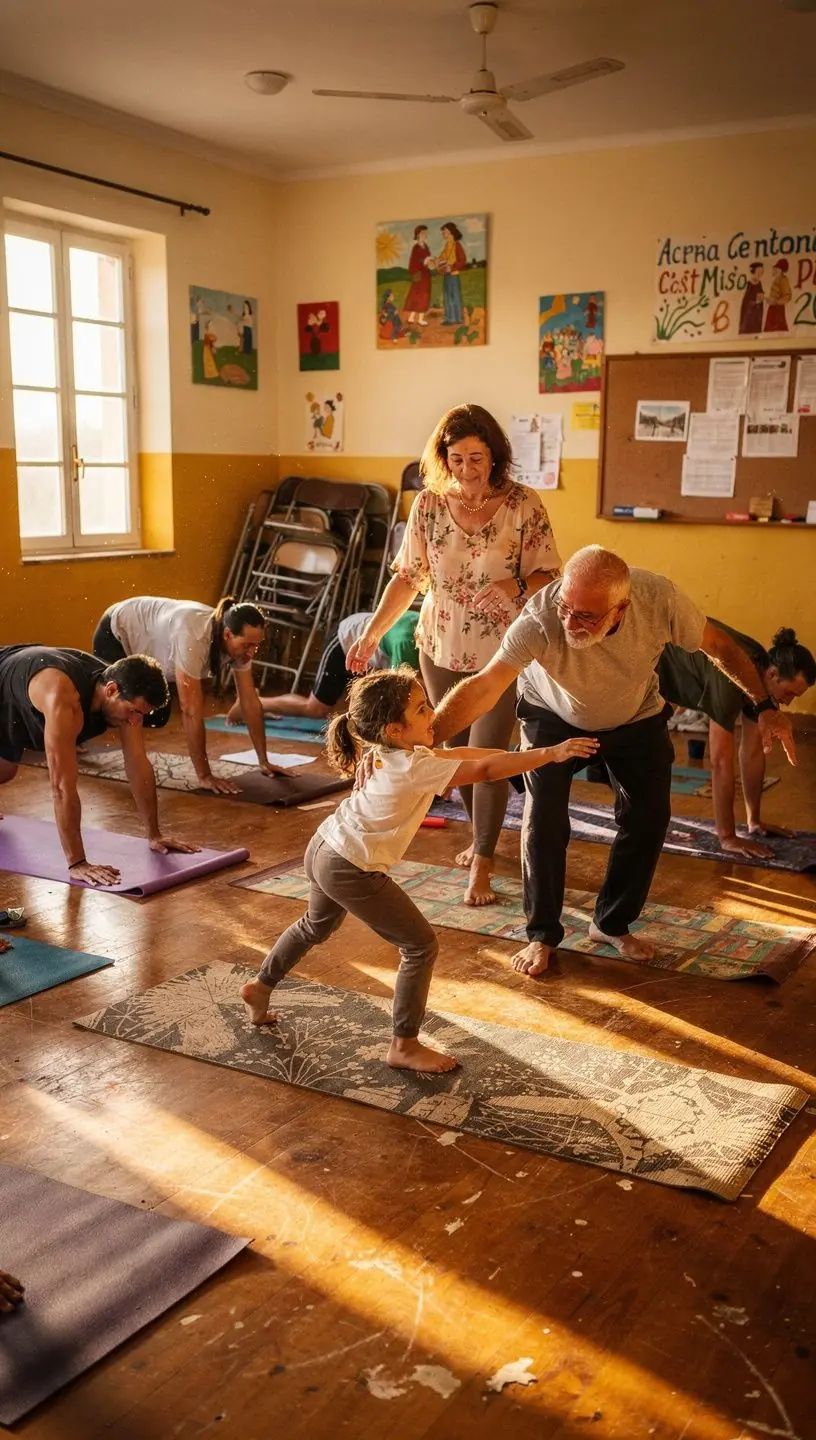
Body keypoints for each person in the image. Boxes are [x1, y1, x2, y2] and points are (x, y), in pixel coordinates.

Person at [428, 546, 796, 978]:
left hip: (634, 714)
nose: (570, 622)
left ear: (621, 608)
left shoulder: (659, 600)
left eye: (586, 616)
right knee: (543, 818)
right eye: (566, 606)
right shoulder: (539, 619)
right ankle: (542, 934)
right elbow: (484, 687)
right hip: (552, 714)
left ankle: (610, 922)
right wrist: (426, 740)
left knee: (649, 817)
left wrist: (765, 705)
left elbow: (722, 649)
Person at [239, 667, 598, 1071]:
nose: (433, 715)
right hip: (351, 866)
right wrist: (550, 754)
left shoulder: (391, 752)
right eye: (423, 708)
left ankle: (261, 986)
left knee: (314, 926)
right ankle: (404, 1045)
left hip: (325, 846)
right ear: (394, 728)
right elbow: (481, 771)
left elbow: (465, 756)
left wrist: (523, 753)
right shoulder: (413, 767)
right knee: (419, 946)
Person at [347, 404, 561, 907]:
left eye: (478, 458)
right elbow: (407, 577)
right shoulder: (426, 506)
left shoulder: (524, 504)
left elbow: (552, 574)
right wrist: (373, 633)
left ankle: (482, 862)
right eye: (458, 458)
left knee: (487, 753)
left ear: (495, 456)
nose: (467, 469)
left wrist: (514, 584)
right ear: (444, 457)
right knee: (447, 752)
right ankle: (479, 838)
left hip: (502, 652)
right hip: (440, 645)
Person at [0, 646, 197, 887]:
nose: (135, 721)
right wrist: (77, 862)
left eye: (141, 715)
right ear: (112, 690)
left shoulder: (123, 692)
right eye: (134, 712)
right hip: (8, 680)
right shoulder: (64, 699)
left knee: (5, 771)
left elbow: (137, 763)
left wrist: (154, 834)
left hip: (12, 692)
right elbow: (61, 785)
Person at [658, 624, 815, 858]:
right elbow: (720, 761)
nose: (789, 702)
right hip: (653, 662)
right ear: (772, 674)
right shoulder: (732, 679)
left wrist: (754, 821)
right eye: (789, 693)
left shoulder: (760, 677)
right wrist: (728, 837)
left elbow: (753, 751)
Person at [93, 596, 276, 795]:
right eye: (248, 645)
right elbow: (190, 710)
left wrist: (264, 761)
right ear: (227, 634)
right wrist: (204, 775)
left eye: (256, 646)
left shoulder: (239, 646)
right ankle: (71, 739)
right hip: (116, 630)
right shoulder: (194, 637)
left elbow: (249, 701)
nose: (252, 653)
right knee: (116, 711)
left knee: (158, 715)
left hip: (147, 641)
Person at [226, 611, 419, 724]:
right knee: (316, 709)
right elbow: (402, 699)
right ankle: (249, 703)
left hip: (375, 649)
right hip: (345, 639)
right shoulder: (406, 645)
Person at [437, 222, 467, 326]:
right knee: (447, 296)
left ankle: (458, 318)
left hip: (453, 274)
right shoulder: (447, 245)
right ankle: (450, 318)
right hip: (446, 274)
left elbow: (462, 261)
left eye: (444, 231)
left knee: (455, 296)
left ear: (450, 233)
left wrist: (452, 267)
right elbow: (442, 257)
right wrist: (437, 261)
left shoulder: (456, 245)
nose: (443, 234)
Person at [404, 224, 432, 326]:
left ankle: (419, 318)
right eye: (423, 233)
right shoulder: (416, 247)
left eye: (426, 233)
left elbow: (429, 259)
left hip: (425, 275)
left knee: (424, 296)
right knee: (416, 296)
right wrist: (422, 262)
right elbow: (413, 261)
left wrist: (430, 262)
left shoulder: (426, 247)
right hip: (419, 275)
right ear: (418, 235)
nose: (425, 235)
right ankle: (412, 317)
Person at [764, 259, 792, 333]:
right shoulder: (777, 279)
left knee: (777, 329)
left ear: (781, 270)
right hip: (773, 308)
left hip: (778, 310)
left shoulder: (783, 280)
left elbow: (787, 296)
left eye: (777, 269)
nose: (775, 270)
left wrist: (776, 302)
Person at [739, 262, 764, 334]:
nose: (760, 273)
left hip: (757, 313)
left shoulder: (759, 283)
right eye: (759, 271)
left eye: (761, 271)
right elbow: (746, 301)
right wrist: (755, 302)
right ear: (754, 271)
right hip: (749, 314)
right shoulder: (749, 284)